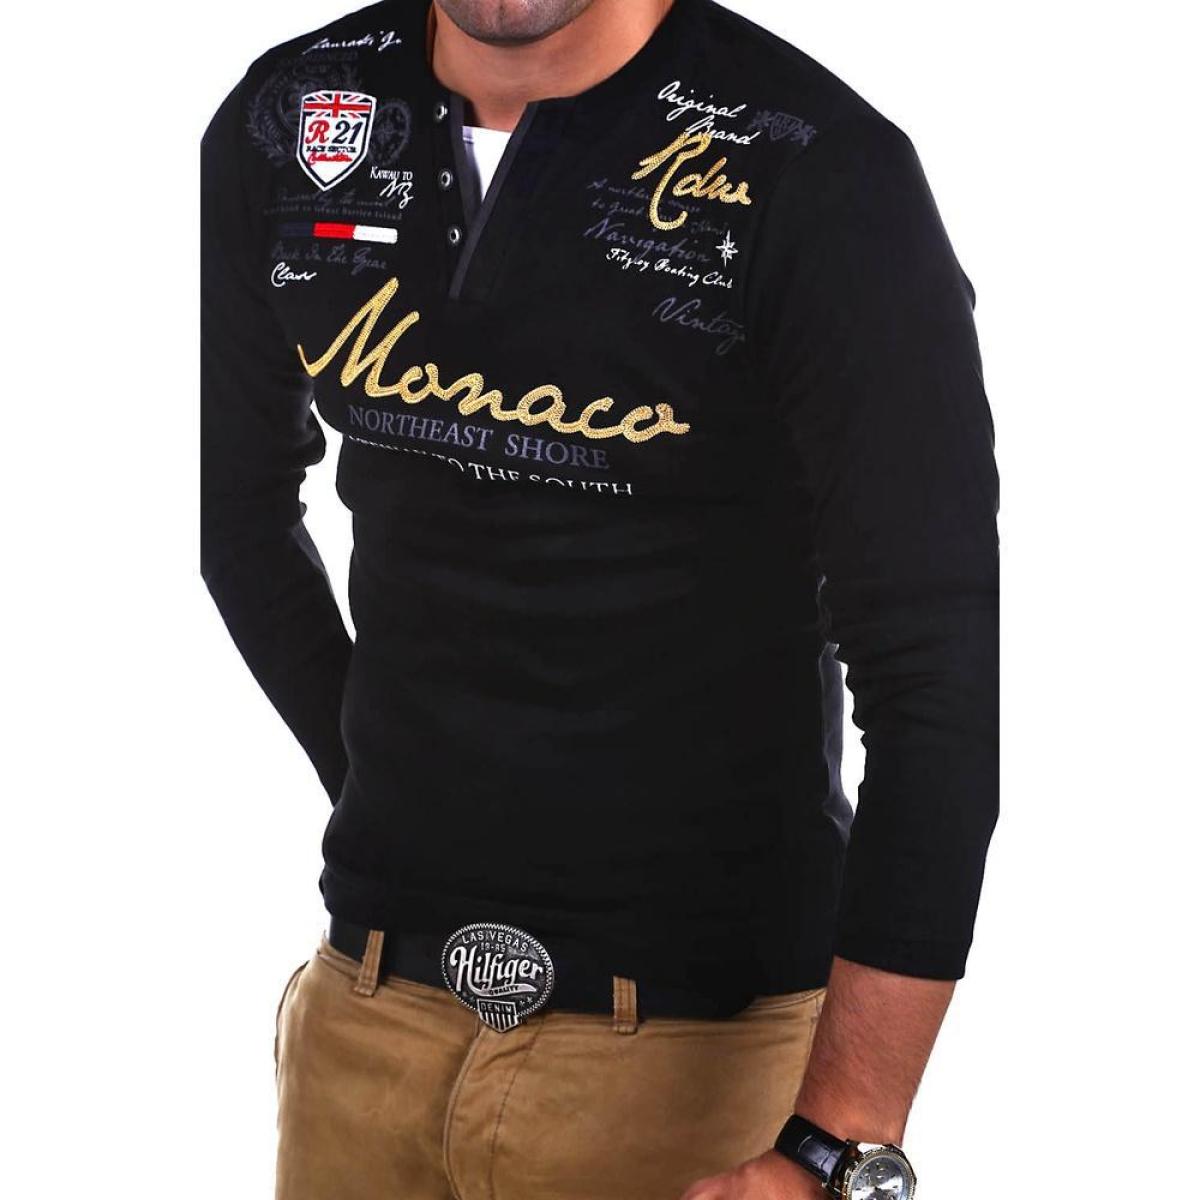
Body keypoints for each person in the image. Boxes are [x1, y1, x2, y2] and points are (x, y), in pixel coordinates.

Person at [199, 0, 1000, 1196]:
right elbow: (232, 517)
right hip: (363, 1032)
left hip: (697, 1063)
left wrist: (838, 1139)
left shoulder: (816, 167)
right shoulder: (291, 116)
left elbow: (934, 672)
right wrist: (389, 783)